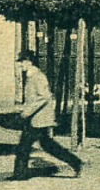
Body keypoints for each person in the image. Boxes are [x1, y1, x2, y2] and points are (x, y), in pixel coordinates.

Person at [14, 51, 82, 179]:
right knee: (47, 145)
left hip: (39, 118)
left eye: (22, 62)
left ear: (29, 62)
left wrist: (26, 112)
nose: (20, 65)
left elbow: (44, 97)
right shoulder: (30, 76)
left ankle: (19, 175)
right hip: (35, 118)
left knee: (24, 146)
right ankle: (75, 162)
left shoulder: (38, 76)